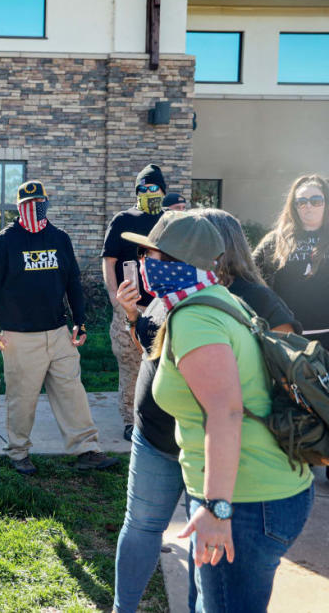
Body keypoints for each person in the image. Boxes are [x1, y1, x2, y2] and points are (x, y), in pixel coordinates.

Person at [121, 210, 313, 613]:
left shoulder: (195, 317)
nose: (143, 264)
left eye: (151, 256)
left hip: (246, 503)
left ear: (177, 262)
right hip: (255, 496)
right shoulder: (210, 297)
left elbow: (225, 414)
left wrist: (217, 508)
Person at [0, 180, 117, 476]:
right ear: (18, 208)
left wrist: (79, 320)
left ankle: (87, 449)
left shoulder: (60, 238)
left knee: (72, 392)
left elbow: (72, 283)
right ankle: (18, 452)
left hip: (58, 332)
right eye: (28, 205)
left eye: (39, 203)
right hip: (18, 336)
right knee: (22, 397)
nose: (34, 209)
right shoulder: (4, 241)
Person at [102, 164, 167, 441]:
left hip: (163, 308)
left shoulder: (169, 222)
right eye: (143, 188)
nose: (149, 192)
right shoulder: (123, 220)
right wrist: (115, 299)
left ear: (163, 190)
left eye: (153, 188)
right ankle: (131, 420)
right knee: (131, 365)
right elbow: (109, 261)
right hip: (131, 307)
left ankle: (159, 418)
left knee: (161, 365)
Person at [253, 174, 329, 349]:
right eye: (301, 202)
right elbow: (248, 274)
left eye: (316, 200)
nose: (308, 206)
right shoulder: (275, 240)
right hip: (288, 339)